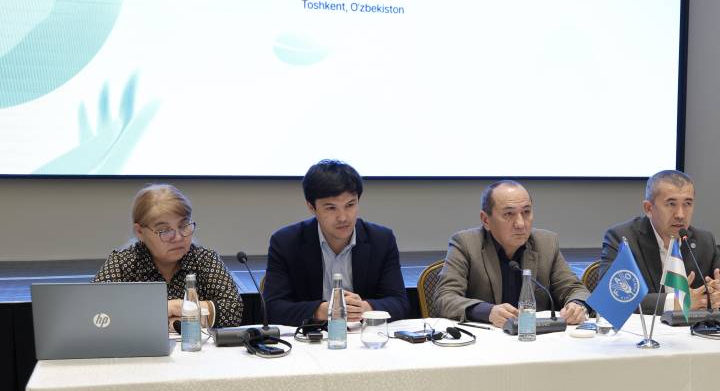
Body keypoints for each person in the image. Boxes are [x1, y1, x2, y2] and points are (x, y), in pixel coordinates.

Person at [264, 160, 409, 327]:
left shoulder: (381, 240)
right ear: (311, 207)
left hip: (362, 336)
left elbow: (400, 303)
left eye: (350, 205)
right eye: (331, 208)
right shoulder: (286, 243)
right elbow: (272, 309)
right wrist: (321, 311)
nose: (343, 217)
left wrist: (365, 308)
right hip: (310, 337)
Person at [433, 181, 590, 328]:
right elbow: (444, 298)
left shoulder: (546, 243)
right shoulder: (466, 244)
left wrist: (577, 305)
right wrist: (488, 312)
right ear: (486, 220)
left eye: (526, 212)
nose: (520, 224)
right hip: (487, 340)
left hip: (536, 338)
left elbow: (575, 289)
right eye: (509, 214)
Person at [600, 170, 720, 314]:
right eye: (671, 204)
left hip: (693, 330)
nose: (680, 214)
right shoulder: (623, 239)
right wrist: (676, 303)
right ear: (648, 208)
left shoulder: (703, 241)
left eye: (687, 204)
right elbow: (611, 298)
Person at [93, 184, 243, 328]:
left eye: (183, 226)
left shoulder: (204, 259)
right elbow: (95, 312)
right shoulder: (123, 263)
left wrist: (178, 309)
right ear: (140, 232)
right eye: (165, 230)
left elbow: (233, 309)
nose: (178, 237)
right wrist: (167, 309)